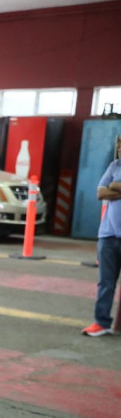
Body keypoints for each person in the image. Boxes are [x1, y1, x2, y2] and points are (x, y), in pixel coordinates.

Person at [82, 136, 121, 337]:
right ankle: (101, 322)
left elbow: (110, 189)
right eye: (119, 146)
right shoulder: (114, 166)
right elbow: (100, 193)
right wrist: (115, 188)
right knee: (105, 282)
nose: (120, 149)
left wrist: (114, 187)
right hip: (108, 235)